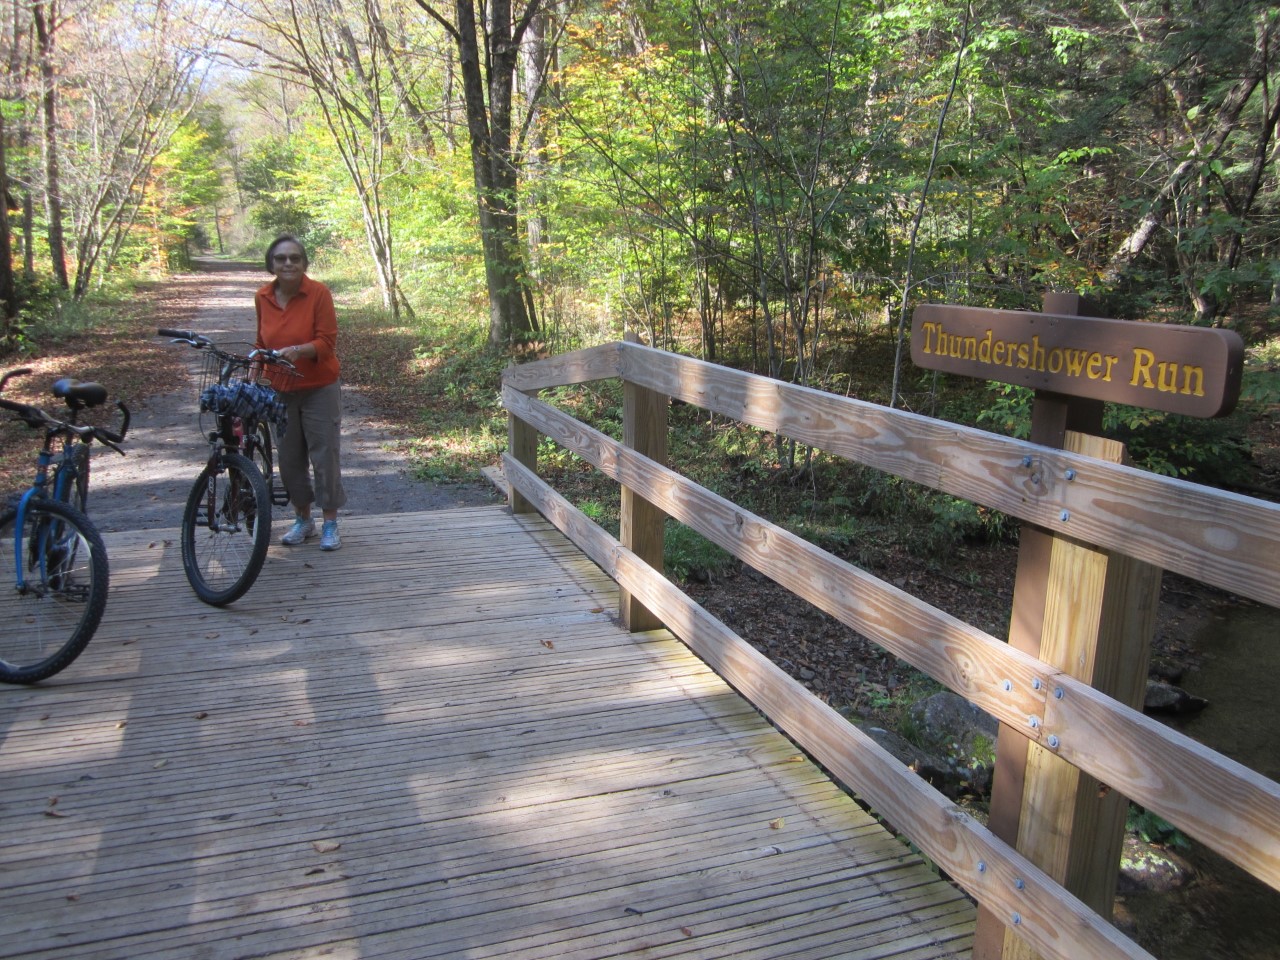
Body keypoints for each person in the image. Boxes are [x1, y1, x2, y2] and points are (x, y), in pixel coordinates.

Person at [254, 233, 347, 551]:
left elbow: (327, 342)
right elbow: (261, 341)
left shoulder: (318, 293)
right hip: (281, 389)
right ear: (272, 264)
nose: (288, 263)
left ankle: (330, 523)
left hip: (319, 387)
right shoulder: (262, 297)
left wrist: (299, 350)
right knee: (290, 460)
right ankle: (303, 520)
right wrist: (255, 368)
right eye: (281, 258)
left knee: (324, 456)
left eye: (295, 258)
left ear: (304, 263)